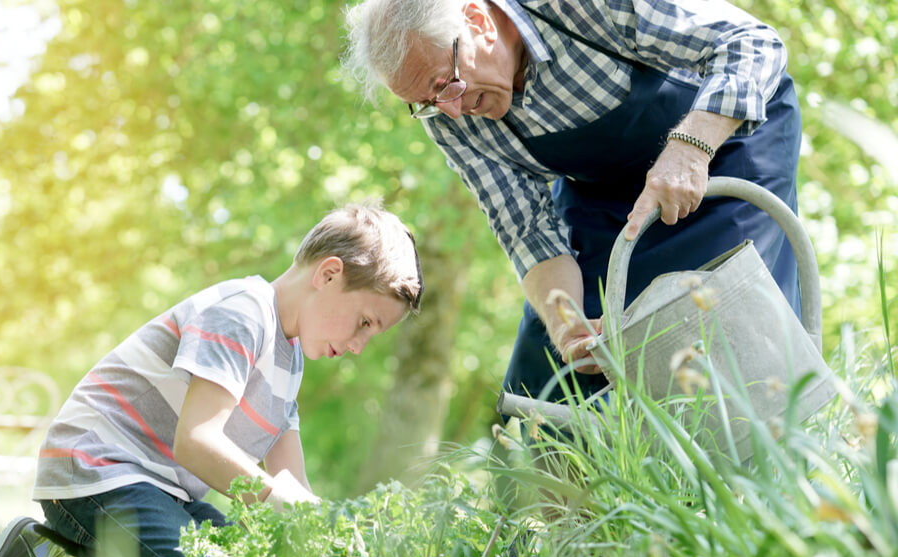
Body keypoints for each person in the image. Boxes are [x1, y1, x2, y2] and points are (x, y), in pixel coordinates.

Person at [0, 200, 424, 557]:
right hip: (97, 470)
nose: (360, 345)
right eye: (364, 322)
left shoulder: (292, 361)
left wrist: (331, 544)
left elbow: (294, 485)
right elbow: (196, 443)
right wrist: (276, 500)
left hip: (156, 492)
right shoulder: (243, 312)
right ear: (329, 273)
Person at [343, 0, 802, 403]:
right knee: (550, 380)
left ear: (478, 23)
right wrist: (569, 328)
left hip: (725, 148)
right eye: (426, 102)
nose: (452, 111)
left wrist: (690, 148)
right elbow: (525, 226)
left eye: (446, 84)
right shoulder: (444, 110)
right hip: (607, 194)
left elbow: (752, 44)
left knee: (701, 329)